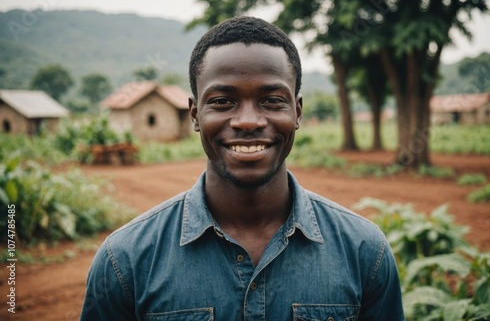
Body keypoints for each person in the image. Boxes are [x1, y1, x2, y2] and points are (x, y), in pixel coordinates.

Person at [81, 16, 405, 321]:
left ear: (298, 111)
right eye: (223, 101)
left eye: (272, 100)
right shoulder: (125, 261)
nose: (248, 121)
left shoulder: (364, 253)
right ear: (195, 115)